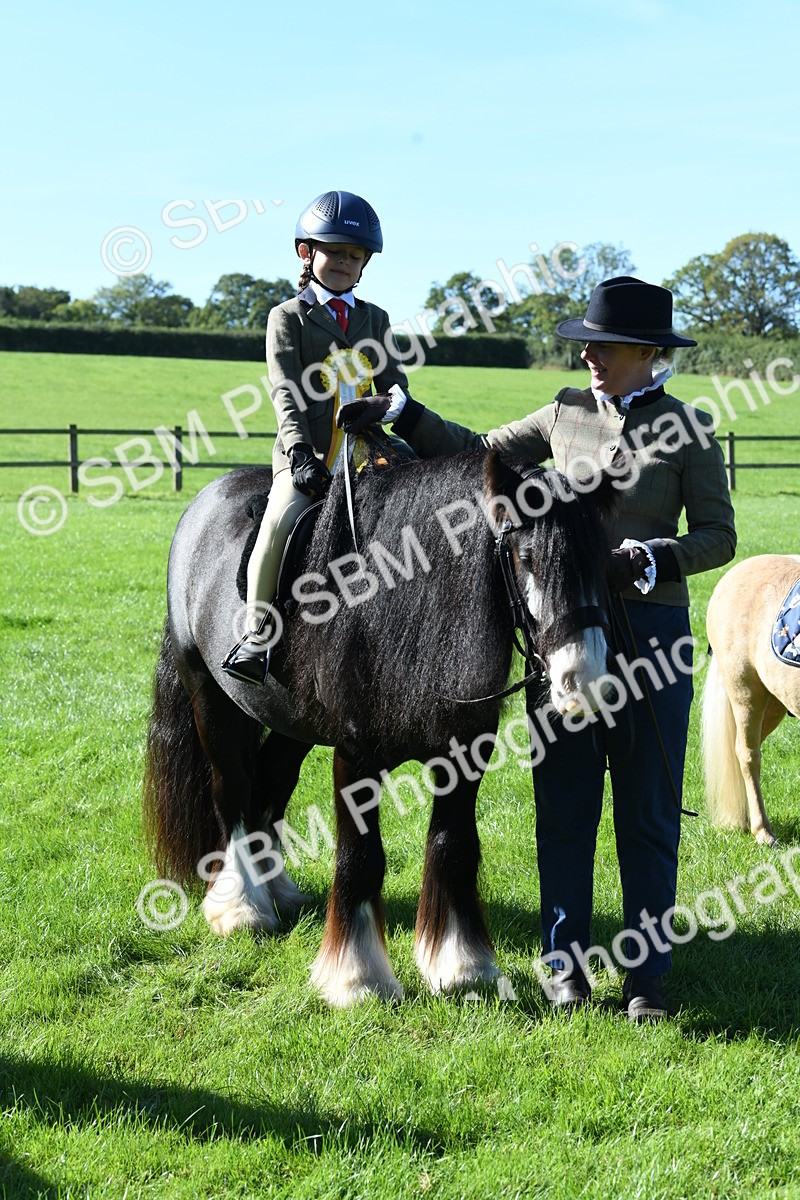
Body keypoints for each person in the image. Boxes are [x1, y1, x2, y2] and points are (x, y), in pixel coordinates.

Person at [357, 276, 737, 1021]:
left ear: (647, 352)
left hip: (651, 641)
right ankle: (564, 965)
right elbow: (477, 454)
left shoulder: (690, 430)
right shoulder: (562, 413)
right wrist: (406, 413)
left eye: (603, 344)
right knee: (564, 807)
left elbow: (720, 536)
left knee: (647, 814)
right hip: (561, 639)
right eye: (586, 343)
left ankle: (645, 976)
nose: (588, 353)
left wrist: (652, 558)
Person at [223, 190, 414, 684]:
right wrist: (299, 453)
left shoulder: (376, 319)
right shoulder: (287, 317)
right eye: (335, 253)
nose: (345, 263)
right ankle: (256, 634)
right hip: (307, 454)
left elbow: (395, 382)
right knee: (278, 524)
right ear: (307, 254)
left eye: (355, 256)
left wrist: (391, 402)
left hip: (369, 451)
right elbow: (284, 391)